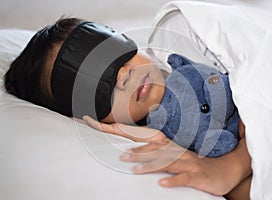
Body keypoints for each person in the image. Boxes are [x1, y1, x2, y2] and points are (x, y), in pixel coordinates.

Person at [4, 17, 252, 199]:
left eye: (111, 53)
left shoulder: (195, 39)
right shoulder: (174, 141)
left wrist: (234, 164)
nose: (123, 75)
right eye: (95, 89)